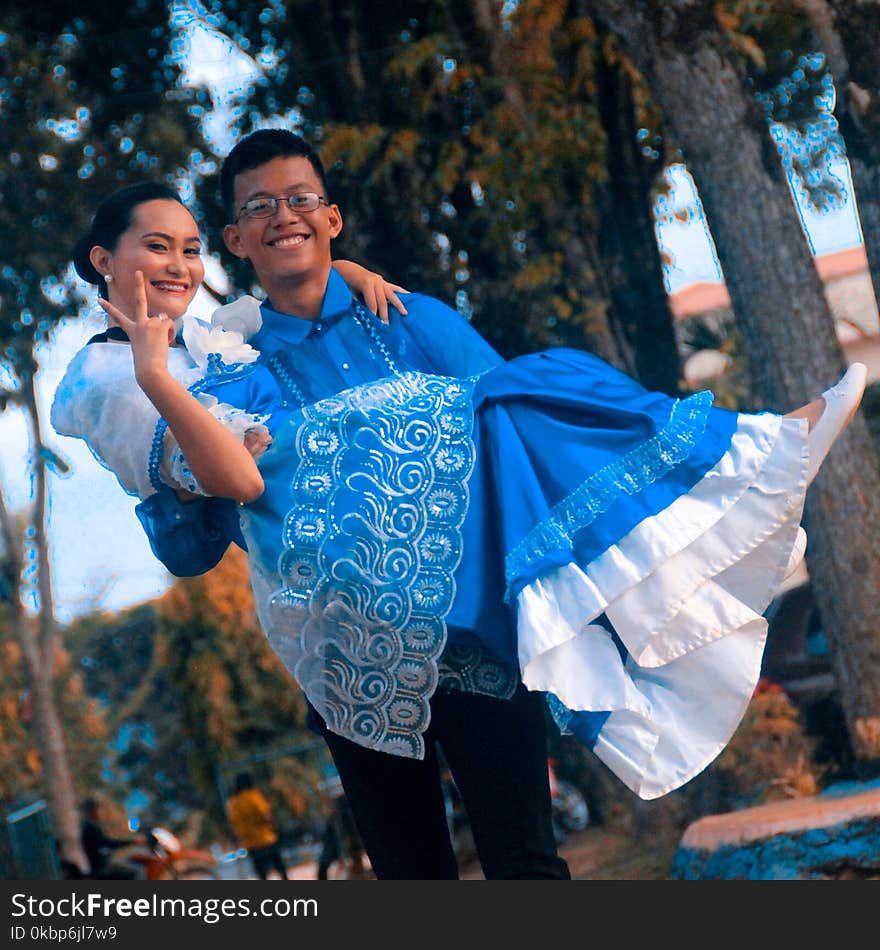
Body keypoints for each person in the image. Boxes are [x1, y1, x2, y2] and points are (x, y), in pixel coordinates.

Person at [51, 130, 868, 880]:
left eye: (299, 199)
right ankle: (742, 445)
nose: (281, 217)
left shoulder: (407, 317)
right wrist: (165, 483)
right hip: (351, 656)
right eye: (256, 209)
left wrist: (350, 283)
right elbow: (202, 533)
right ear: (237, 241)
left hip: (472, 631)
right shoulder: (228, 359)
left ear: (332, 216)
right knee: (415, 881)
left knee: (526, 864)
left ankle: (741, 447)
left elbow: (512, 454)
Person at [225, 772, 289, 880]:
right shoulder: (254, 796)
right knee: (280, 869)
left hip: (251, 844)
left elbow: (234, 824)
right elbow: (266, 815)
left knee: (262, 874)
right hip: (266, 839)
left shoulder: (233, 803)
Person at [80, 797, 143, 880]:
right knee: (138, 872)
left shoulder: (89, 825)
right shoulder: (91, 827)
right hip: (101, 868)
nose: (102, 813)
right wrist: (132, 841)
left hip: (99, 865)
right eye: (100, 809)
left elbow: (105, 844)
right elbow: (109, 843)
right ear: (93, 810)